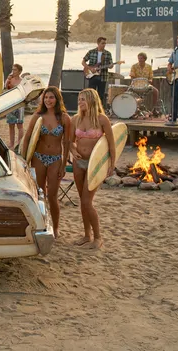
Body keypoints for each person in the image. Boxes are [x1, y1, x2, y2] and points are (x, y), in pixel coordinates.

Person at [20, 87, 71, 239]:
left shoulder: (64, 118)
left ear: (57, 100)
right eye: (46, 97)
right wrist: (24, 159)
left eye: (51, 98)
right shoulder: (38, 116)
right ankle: (41, 225)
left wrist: (63, 165)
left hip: (55, 159)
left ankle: (55, 228)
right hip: (38, 157)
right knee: (40, 195)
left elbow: (67, 142)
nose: (48, 100)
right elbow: (28, 138)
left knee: (53, 196)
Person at [69, 89, 116, 250]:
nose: (80, 102)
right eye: (79, 99)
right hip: (79, 164)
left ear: (92, 100)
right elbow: (70, 142)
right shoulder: (76, 119)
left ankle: (98, 237)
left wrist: (111, 164)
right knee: (82, 202)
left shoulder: (102, 119)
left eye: (83, 99)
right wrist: (73, 151)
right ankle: (86, 235)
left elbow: (111, 143)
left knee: (87, 202)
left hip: (94, 165)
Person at [81, 37, 114, 107]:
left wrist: (111, 66)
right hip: (92, 75)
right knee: (91, 94)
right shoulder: (91, 52)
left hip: (103, 76)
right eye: (102, 43)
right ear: (98, 43)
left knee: (101, 95)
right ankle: (90, 108)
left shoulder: (108, 53)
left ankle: (99, 110)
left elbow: (111, 65)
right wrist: (90, 68)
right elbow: (83, 62)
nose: (104, 45)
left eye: (105, 43)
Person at [5, 64, 25, 149]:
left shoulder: (22, 81)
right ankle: (12, 144)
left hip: (19, 104)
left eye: (15, 70)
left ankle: (19, 144)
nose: (13, 71)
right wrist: (8, 79)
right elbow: (6, 87)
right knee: (11, 125)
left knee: (19, 125)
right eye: (13, 69)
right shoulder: (10, 79)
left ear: (20, 71)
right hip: (11, 103)